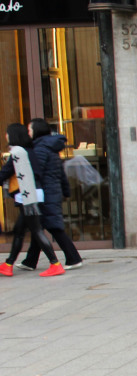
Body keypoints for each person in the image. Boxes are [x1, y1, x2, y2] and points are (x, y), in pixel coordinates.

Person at [0, 124, 63, 277]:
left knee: (36, 230)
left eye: (7, 134)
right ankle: (8, 265)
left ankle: (55, 264)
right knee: (19, 232)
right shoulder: (28, 151)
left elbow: (5, 173)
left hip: (27, 197)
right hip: (33, 194)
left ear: (13, 135)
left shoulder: (18, 152)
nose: (6, 136)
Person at [22, 118, 82, 270]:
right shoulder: (49, 147)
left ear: (36, 130)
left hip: (46, 193)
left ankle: (73, 258)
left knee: (53, 227)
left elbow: (37, 173)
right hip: (52, 192)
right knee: (40, 226)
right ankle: (30, 261)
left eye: (29, 129)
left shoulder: (41, 149)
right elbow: (60, 174)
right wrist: (65, 190)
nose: (28, 133)